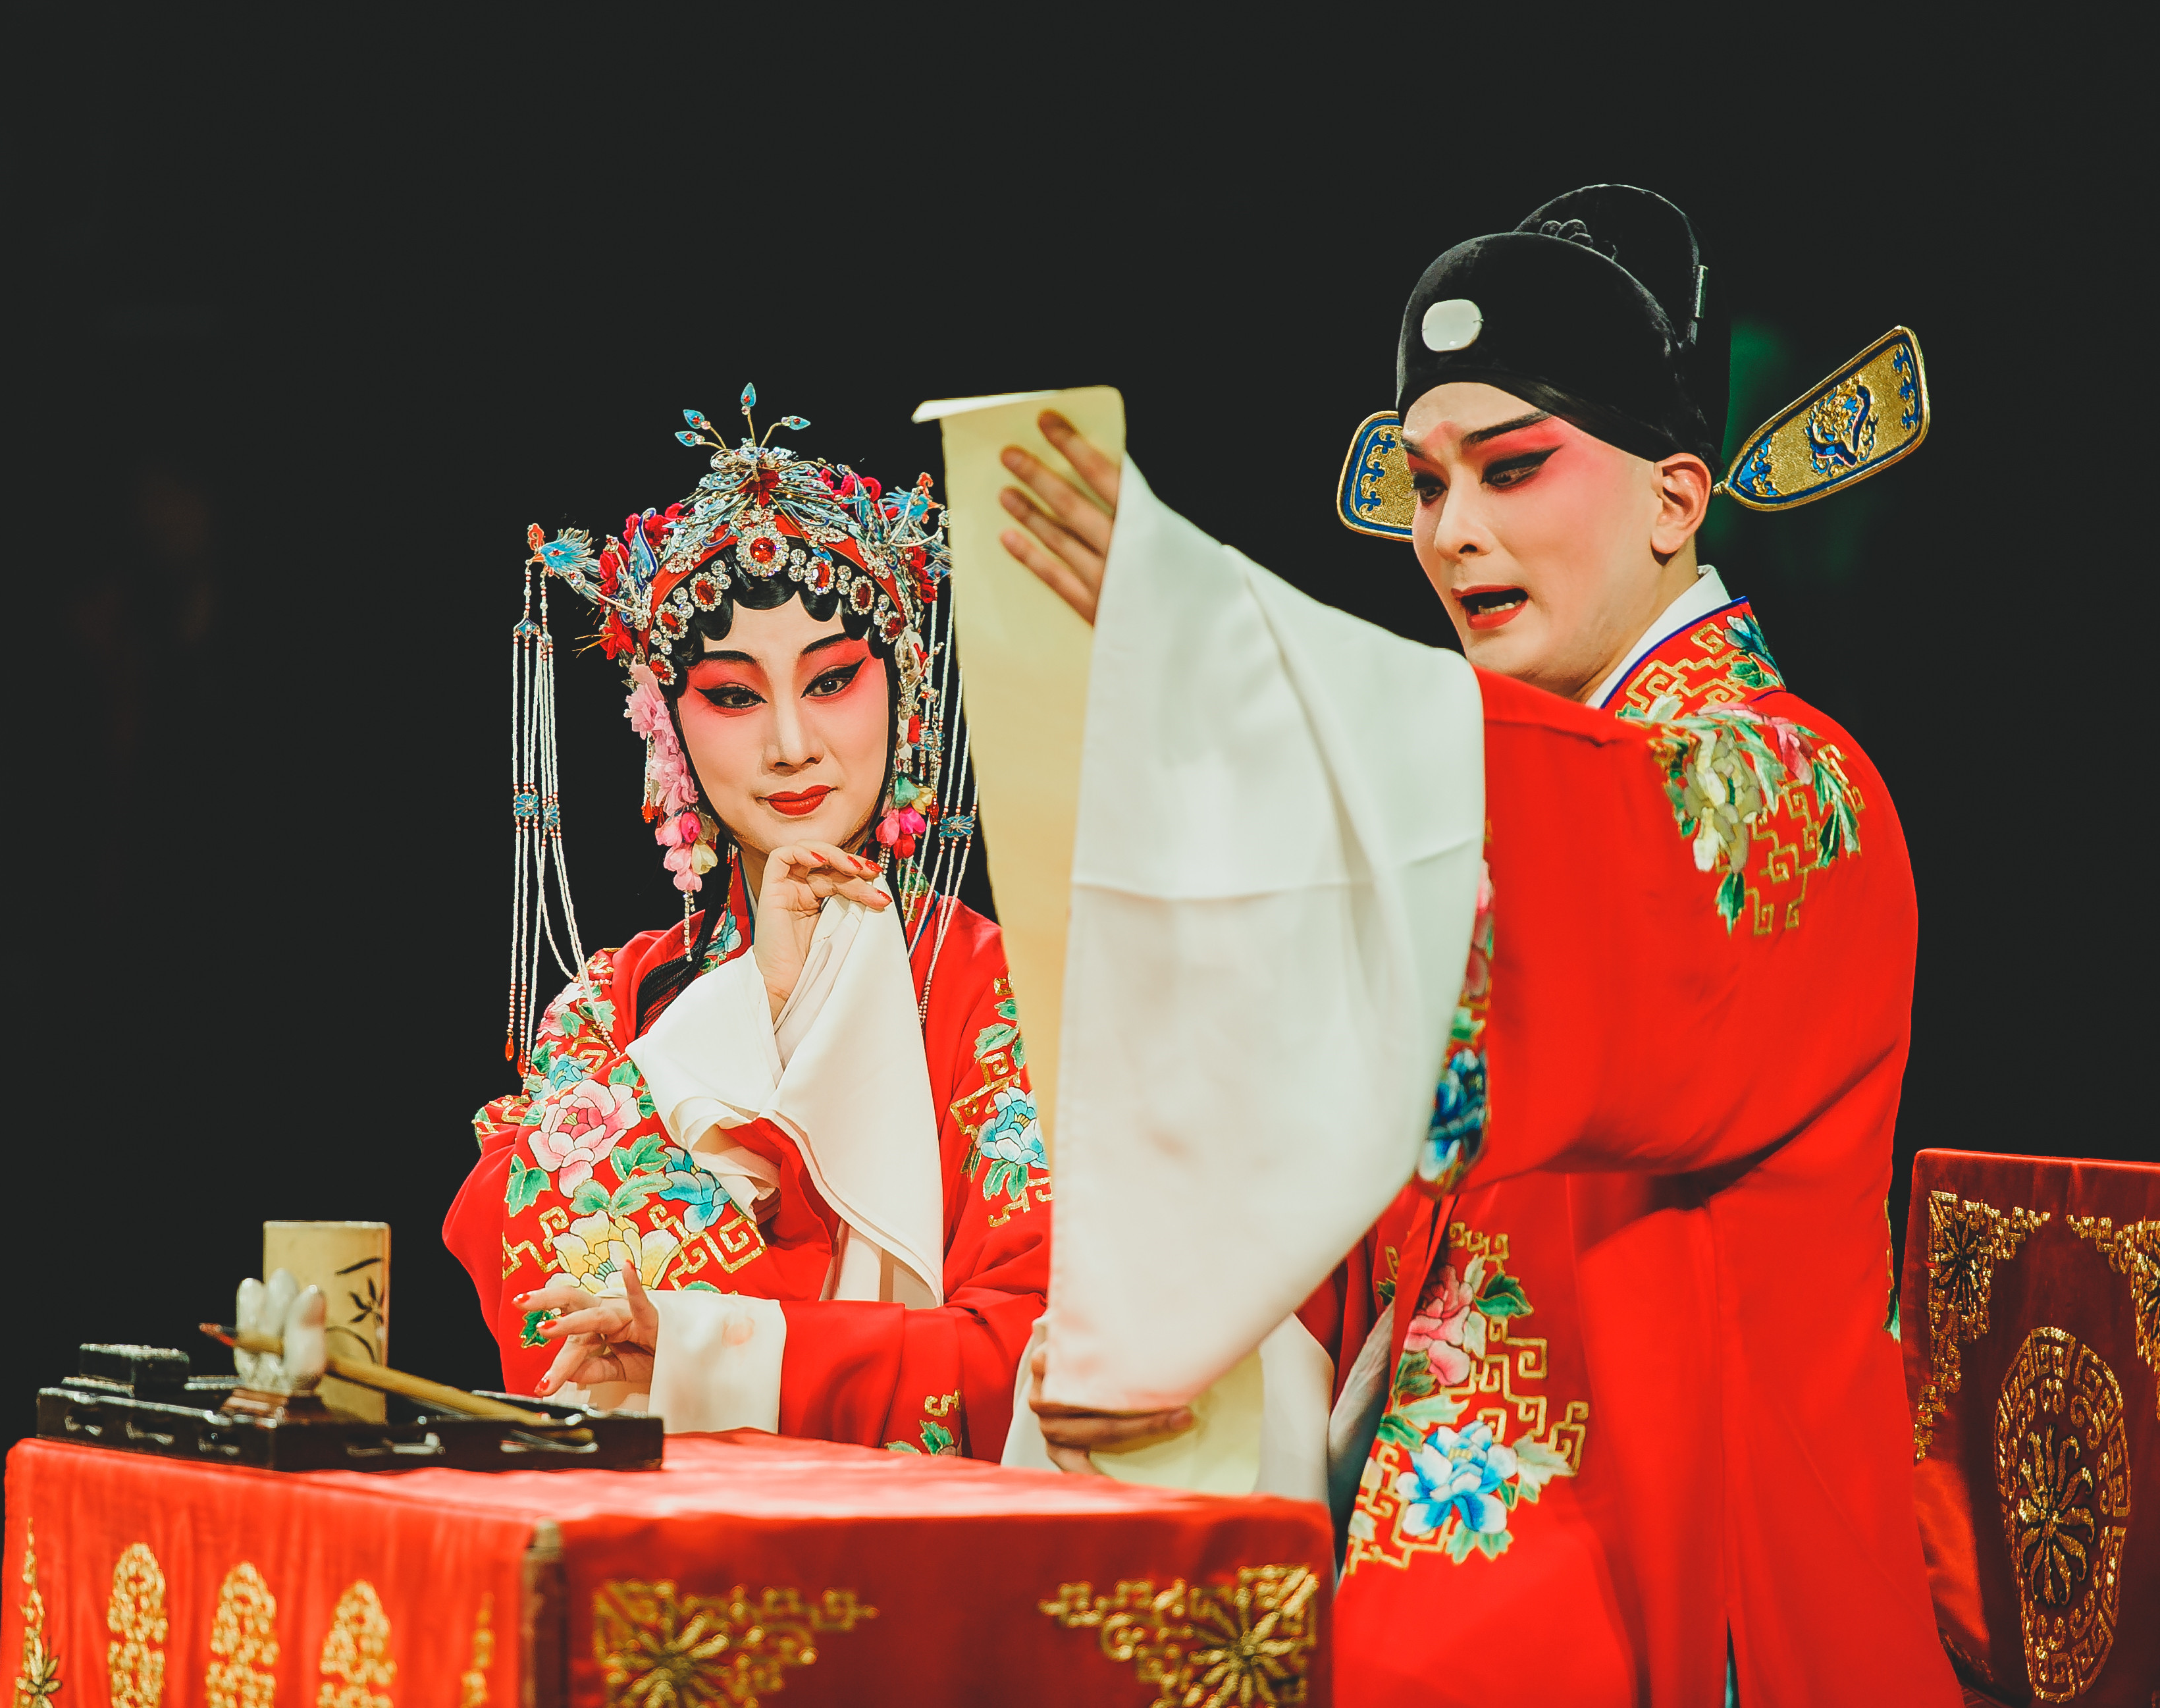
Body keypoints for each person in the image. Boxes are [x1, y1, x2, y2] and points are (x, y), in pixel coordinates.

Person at [996, 187, 1949, 1704]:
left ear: (1674, 499)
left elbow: (1608, 874)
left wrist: (1230, 641)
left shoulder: (1789, 789)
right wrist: (1167, 1345)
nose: (1452, 533)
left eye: (1513, 470)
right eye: (1426, 483)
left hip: (1686, 1605)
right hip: (1449, 1597)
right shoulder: (1508, 796)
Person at [443, 387, 1050, 1458]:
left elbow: (1039, 1353)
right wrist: (756, 1003)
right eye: (733, 695)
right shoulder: (612, 1004)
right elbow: (559, 1324)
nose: (791, 745)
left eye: (832, 682)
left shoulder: (1003, 991)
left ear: (904, 689)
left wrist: (716, 1349)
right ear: (664, 727)